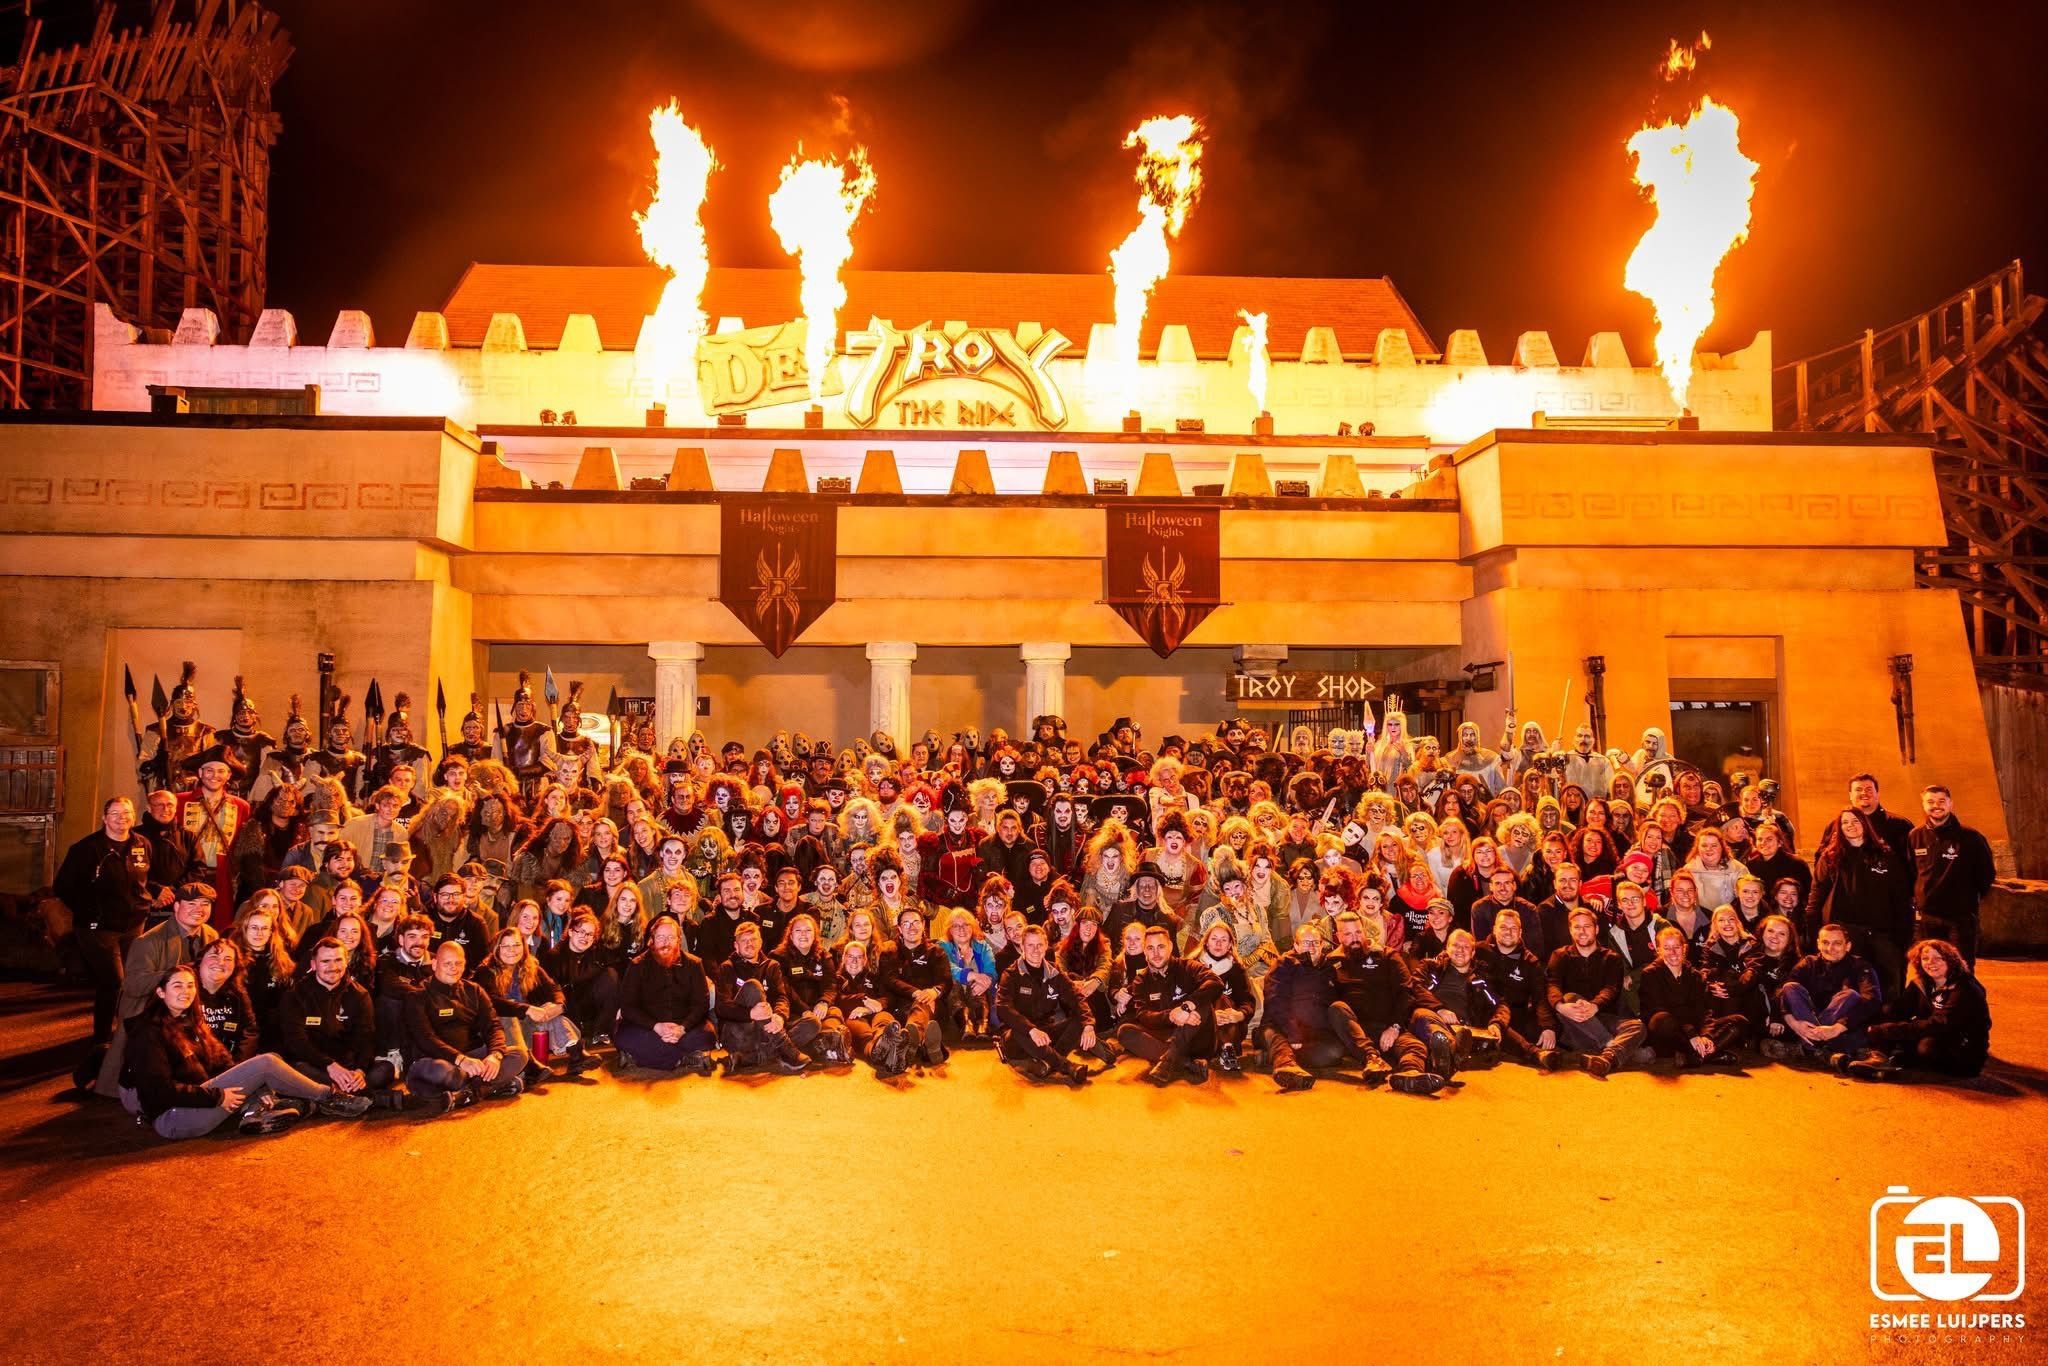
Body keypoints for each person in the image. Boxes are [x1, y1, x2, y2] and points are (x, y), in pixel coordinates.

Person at [122, 964, 372, 1138]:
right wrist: (217, 1096)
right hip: (173, 1117)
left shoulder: (188, 1022)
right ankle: (328, 1098)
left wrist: (256, 1087)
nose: (186, 992)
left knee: (272, 1060)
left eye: (190, 986)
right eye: (177, 986)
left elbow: (221, 1064)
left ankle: (256, 1111)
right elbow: (158, 1092)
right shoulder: (148, 1032)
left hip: (196, 1101)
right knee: (266, 1062)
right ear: (160, 992)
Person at [57, 796, 168, 1077]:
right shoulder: (86, 849)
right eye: (115, 813)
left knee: (132, 979)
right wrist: (90, 911)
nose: (121, 818)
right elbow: (63, 886)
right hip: (98, 928)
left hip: (133, 925)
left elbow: (142, 880)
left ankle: (129, 1034)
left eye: (126, 813)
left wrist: (151, 895)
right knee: (113, 981)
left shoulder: (142, 844)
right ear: (105, 818)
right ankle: (102, 1040)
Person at [93, 882, 220, 1099]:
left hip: (189, 1006)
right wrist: (175, 976)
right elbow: (133, 985)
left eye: (205, 904)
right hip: (150, 1008)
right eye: (191, 904)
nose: (199, 909)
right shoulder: (148, 942)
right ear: (176, 906)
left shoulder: (211, 935)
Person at [1324, 911, 1453, 1094]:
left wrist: (1395, 1027)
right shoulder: (1331, 962)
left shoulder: (1387, 955)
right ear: (1338, 937)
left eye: (1358, 932)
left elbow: (1406, 991)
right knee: (1337, 1008)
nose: (1355, 938)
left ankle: (1410, 1075)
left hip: (1386, 1026)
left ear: (1364, 931)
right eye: (1348, 934)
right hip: (1355, 1031)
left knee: (1415, 1047)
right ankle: (1372, 1058)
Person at [404, 940, 529, 1115]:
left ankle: (468, 1093)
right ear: (434, 964)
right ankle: (492, 1087)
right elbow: (426, 1039)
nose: (453, 968)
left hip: (473, 1057)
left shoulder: (474, 990)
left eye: (458, 963)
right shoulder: (417, 994)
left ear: (464, 964)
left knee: (520, 1055)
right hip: (435, 1060)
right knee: (445, 1072)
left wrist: (495, 1055)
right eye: (447, 963)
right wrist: (461, 1060)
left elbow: (493, 1026)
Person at [279, 936, 402, 1109]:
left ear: (346, 962)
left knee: (386, 1069)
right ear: (313, 965)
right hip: (315, 1065)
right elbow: (296, 1042)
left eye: (338, 960)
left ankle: (334, 1095)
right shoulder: (296, 995)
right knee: (295, 1071)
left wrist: (360, 1070)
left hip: (349, 1067)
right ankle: (372, 1098)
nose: (333, 967)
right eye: (325, 961)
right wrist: (329, 1065)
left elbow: (366, 1038)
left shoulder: (359, 995)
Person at [1805, 808, 1913, 997]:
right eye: (1845, 822)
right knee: (1849, 989)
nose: (1851, 826)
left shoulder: (1885, 855)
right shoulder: (1830, 858)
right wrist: (1812, 929)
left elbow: (1901, 898)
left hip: (1882, 934)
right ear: (1839, 828)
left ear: (1865, 824)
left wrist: (1903, 935)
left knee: (1888, 988)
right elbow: (1817, 895)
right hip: (1846, 934)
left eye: (1855, 821)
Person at [474, 926, 596, 1081]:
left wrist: (558, 1005)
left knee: (549, 1009)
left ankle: (576, 1054)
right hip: (502, 1033)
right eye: (506, 946)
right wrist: (528, 1009)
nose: (512, 950)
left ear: (523, 947)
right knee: (508, 1017)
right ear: (497, 948)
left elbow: (553, 988)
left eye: (516, 945)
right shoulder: (485, 971)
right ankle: (529, 1065)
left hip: (527, 1026)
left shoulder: (530, 966)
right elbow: (493, 1002)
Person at [1865, 938, 1992, 1079]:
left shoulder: (1965, 988)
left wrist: (1887, 1030)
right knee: (1888, 1011)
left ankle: (1909, 1059)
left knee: (1926, 1047)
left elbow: (1938, 1024)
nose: (1931, 962)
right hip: (1935, 1034)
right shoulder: (1922, 984)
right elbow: (1898, 1009)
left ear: (1951, 960)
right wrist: (1874, 1026)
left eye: (1938, 958)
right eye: (1925, 958)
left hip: (1964, 1049)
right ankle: (1880, 1056)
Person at [1768, 923, 1886, 1073]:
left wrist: (1837, 1027)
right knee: (1790, 987)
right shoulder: (1809, 962)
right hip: (1808, 1024)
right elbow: (1782, 992)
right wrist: (1794, 1023)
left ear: (1848, 946)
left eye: (1837, 943)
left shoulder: (1861, 966)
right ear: (1818, 944)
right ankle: (1823, 1050)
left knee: (1850, 995)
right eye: (1825, 942)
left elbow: (1872, 1000)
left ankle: (1810, 1047)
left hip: (1842, 1029)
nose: (1830, 948)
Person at [1544, 908, 1647, 1078]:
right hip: (1572, 1018)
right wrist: (1560, 1006)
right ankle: (1611, 1047)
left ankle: (1602, 1056)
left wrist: (1595, 1005)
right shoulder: (1559, 955)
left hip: (1602, 1016)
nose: (1582, 931)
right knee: (1570, 997)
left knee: (1637, 1026)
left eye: (1587, 926)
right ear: (1570, 930)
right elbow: (1552, 984)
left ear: (1596, 929)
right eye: (1577, 927)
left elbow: (1611, 989)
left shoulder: (1612, 958)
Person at [1116, 924, 1221, 1087]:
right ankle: (1184, 1062)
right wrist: (1172, 1015)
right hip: (1166, 1037)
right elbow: (1144, 1015)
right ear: (1144, 951)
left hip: (1198, 1039)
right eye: (1150, 948)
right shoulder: (1140, 980)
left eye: (1161, 947)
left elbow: (1215, 982)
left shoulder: (1188, 966)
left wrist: (1186, 1007)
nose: (1156, 953)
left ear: (1170, 947)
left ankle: (1170, 1058)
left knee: (1203, 1001)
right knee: (1125, 1031)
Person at [992, 924, 1096, 1085]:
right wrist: (1031, 1030)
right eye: (1030, 945)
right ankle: (1067, 1066)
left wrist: (1088, 1024)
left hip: (1045, 1033)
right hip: (1018, 1038)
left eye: (1040, 945)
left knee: (1079, 1021)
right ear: (1022, 947)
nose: (1036, 950)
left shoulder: (1054, 971)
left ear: (1046, 945)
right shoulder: (1011, 974)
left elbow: (1076, 997)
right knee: (1019, 1030)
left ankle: (1047, 1062)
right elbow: (1002, 1008)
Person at [1909, 785, 1996, 966]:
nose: (1936, 806)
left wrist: (1967, 899)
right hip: (1927, 918)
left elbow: (1986, 874)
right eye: (1930, 802)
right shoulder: (1915, 836)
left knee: (1961, 967)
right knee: (1930, 967)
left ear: (1950, 804)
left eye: (1941, 801)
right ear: (1923, 805)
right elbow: (1910, 873)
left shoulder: (1971, 837)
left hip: (1960, 919)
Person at [1637, 926, 1744, 1067]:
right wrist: (1691, 1034)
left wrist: (1706, 1035)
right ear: (1659, 950)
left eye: (1677, 947)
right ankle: (1704, 1055)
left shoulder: (1695, 976)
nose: (1673, 952)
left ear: (1684, 948)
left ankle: (1698, 1056)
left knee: (1739, 1021)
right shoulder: (1650, 974)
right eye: (1667, 948)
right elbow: (1656, 1009)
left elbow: (1704, 1010)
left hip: (1695, 1030)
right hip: (1672, 1035)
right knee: (1661, 1019)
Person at [713, 921, 809, 1076]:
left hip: (766, 1029)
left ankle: (751, 1058)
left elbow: (781, 997)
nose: (749, 944)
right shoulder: (727, 967)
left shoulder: (772, 966)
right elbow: (721, 1007)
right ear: (736, 946)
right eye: (744, 941)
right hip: (738, 1032)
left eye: (753, 939)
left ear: (761, 943)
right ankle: (785, 1048)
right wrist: (750, 1013)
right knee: (753, 986)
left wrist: (779, 1016)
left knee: (812, 1023)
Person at [1476, 908, 1557, 1067]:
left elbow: (1540, 997)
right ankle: (1535, 1054)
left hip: (1516, 1014)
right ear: (1494, 929)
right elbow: (1455, 954)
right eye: (1503, 927)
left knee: (1544, 1030)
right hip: (1484, 1010)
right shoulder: (1478, 950)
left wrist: (1548, 1027)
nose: (1508, 932)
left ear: (1520, 932)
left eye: (1513, 928)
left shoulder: (1530, 962)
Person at [772, 913, 850, 1064]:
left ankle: (830, 1041)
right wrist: (804, 1010)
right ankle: (825, 1046)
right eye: (798, 930)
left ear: (815, 935)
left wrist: (824, 1002)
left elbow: (831, 985)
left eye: (808, 930)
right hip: (793, 1010)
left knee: (835, 1012)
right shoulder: (778, 957)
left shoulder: (824, 956)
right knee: (812, 1025)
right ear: (790, 935)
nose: (803, 934)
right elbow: (785, 989)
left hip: (818, 1009)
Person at [833, 938, 910, 1077]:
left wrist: (872, 1007)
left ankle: (888, 1042)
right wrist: (864, 1000)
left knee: (886, 1018)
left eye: (859, 957)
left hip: (875, 1013)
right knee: (862, 1029)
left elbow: (888, 997)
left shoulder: (874, 977)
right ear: (844, 958)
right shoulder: (836, 979)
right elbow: (837, 1000)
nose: (854, 961)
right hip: (853, 1017)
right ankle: (881, 1051)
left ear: (865, 960)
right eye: (850, 956)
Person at [938, 907, 998, 1045]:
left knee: (978, 983)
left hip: (980, 997)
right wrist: (972, 975)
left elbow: (991, 971)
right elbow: (946, 968)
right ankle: (966, 1025)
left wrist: (986, 980)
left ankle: (983, 1025)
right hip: (954, 1001)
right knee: (953, 983)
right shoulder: (942, 946)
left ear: (973, 927)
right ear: (950, 930)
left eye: (966, 924)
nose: (962, 929)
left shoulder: (982, 946)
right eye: (956, 926)